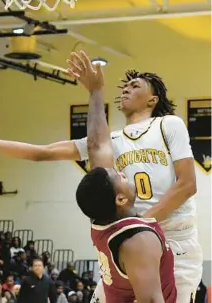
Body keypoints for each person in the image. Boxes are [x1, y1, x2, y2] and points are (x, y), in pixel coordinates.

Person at [0, 50, 202, 303]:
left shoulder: (168, 124)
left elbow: (187, 185)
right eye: (124, 86)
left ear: (152, 99)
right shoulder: (107, 140)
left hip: (173, 240)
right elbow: (43, 153)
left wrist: (140, 227)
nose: (125, 89)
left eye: (135, 86)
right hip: (124, 244)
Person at [75, 69, 176, 302]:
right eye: (119, 177)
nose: (122, 172)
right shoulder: (137, 238)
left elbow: (97, 146)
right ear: (119, 199)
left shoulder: (102, 222)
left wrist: (95, 92)